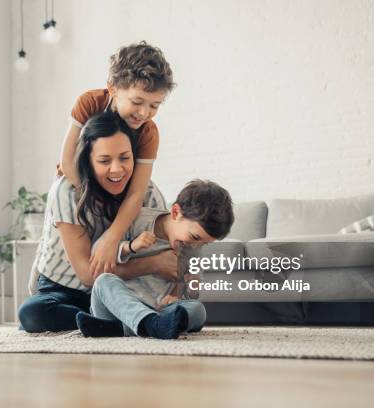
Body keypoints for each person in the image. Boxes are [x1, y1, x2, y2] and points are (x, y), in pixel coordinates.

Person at [19, 111, 176, 333]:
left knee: (164, 306)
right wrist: (154, 264)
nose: (117, 169)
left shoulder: (145, 191)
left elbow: (167, 249)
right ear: (88, 162)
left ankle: (110, 322)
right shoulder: (66, 191)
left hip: (117, 289)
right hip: (65, 288)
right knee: (32, 314)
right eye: (104, 160)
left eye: (124, 157)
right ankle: (119, 324)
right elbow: (86, 273)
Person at [59, 41, 175, 278]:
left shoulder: (148, 132)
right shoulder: (89, 103)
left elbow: (136, 193)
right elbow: (67, 161)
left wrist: (111, 238)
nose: (144, 113)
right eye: (137, 102)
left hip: (121, 194)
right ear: (112, 89)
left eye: (154, 105)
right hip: (82, 185)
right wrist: (95, 197)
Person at [76, 180, 235, 340]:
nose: (195, 246)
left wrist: (182, 290)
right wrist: (130, 247)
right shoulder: (137, 219)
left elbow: (192, 289)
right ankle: (149, 325)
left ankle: (120, 329)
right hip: (117, 308)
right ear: (175, 212)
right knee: (104, 281)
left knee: (198, 310)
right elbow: (100, 252)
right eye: (194, 237)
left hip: (159, 310)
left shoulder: (193, 248)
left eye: (204, 243)